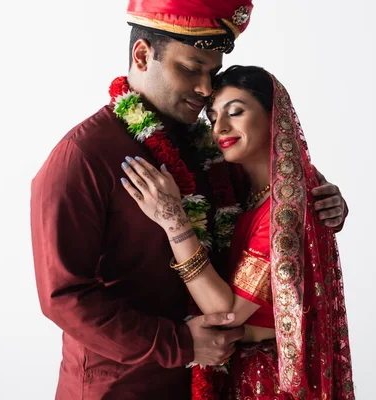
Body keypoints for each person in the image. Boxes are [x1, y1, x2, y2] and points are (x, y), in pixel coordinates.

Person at [30, 2, 349, 399]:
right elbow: (64, 298)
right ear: (143, 55)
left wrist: (322, 198)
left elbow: (267, 198)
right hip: (120, 388)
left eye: (211, 74)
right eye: (190, 68)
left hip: (213, 384)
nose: (204, 89)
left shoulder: (207, 146)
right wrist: (181, 344)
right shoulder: (83, 156)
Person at [119, 66, 354, 399]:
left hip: (266, 382)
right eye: (213, 118)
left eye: (236, 112)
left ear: (277, 117)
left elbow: (226, 313)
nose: (220, 129)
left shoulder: (283, 207)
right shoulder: (252, 188)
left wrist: (175, 222)